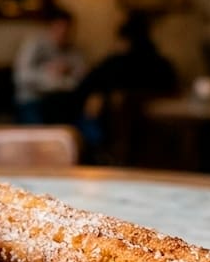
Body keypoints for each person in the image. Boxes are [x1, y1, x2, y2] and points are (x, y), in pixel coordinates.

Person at [70, 12, 177, 159]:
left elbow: (84, 87)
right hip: (158, 143)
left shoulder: (115, 63)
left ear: (124, 40)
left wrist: (98, 95)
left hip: (113, 137)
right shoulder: (163, 66)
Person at [13, 8, 85, 125]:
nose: (63, 32)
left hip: (63, 102)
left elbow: (82, 78)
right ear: (50, 27)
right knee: (41, 131)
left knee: (85, 124)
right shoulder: (34, 45)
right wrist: (48, 73)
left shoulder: (74, 51)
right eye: (59, 27)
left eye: (67, 28)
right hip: (33, 100)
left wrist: (67, 71)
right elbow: (21, 76)